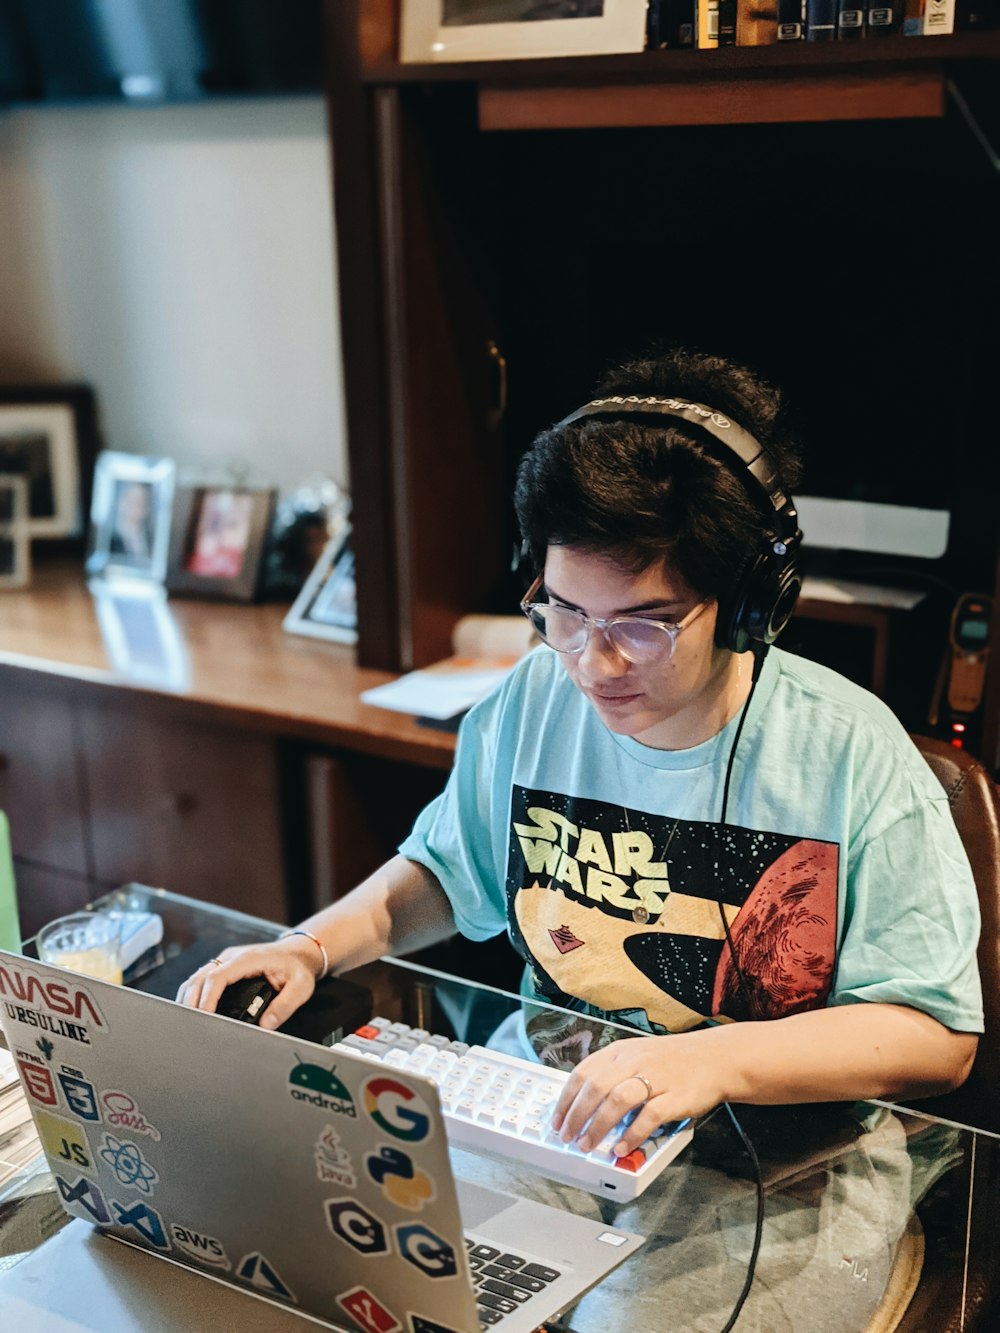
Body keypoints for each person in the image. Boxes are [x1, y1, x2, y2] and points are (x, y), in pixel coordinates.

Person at [178, 346, 982, 1163]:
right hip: (553, 1110)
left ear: (746, 604)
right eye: (565, 613)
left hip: (777, 1169)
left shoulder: (849, 752)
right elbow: (448, 872)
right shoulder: (535, 697)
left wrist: (709, 1059)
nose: (595, 664)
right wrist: (309, 946)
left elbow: (936, 1034)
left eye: (643, 624)